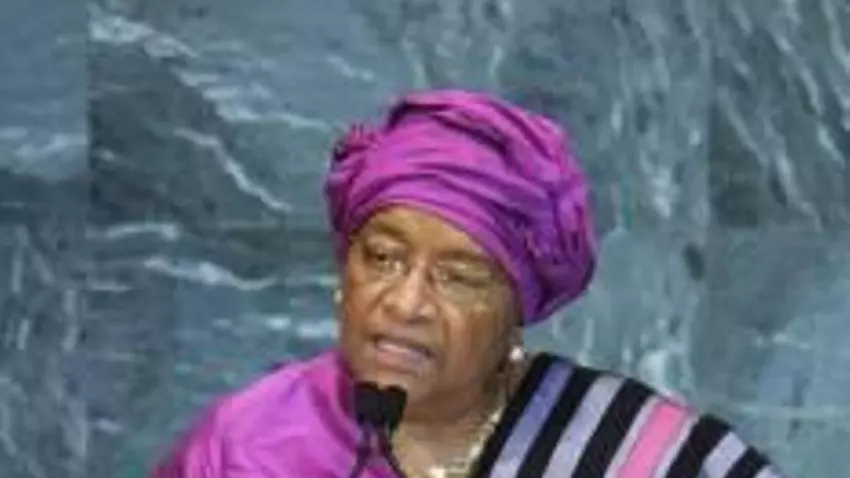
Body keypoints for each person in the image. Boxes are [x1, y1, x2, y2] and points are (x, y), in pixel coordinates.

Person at [151, 90, 786, 477]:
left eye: (457, 278)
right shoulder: (249, 443)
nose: (406, 303)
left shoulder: (633, 453)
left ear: (517, 312)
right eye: (383, 258)